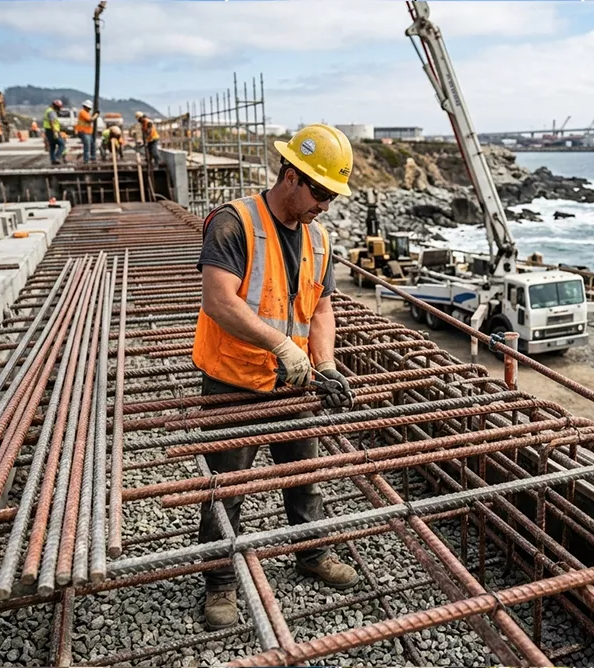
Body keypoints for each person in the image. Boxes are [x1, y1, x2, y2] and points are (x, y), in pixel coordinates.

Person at [193, 124, 357, 630]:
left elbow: (322, 311)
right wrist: (280, 344)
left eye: (332, 195)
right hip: (234, 380)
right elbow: (218, 300)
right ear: (291, 177)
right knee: (229, 487)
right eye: (322, 192)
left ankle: (310, 553)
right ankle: (220, 583)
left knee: (303, 475)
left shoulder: (319, 237)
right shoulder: (233, 223)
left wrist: (324, 363)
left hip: (296, 380)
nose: (326, 204)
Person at [43, 99, 66, 164]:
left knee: (52, 146)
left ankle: (53, 160)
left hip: (48, 130)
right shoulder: (51, 111)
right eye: (58, 107)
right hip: (52, 130)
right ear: (55, 106)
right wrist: (55, 132)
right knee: (62, 144)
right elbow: (51, 122)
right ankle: (56, 157)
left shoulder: (49, 110)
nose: (59, 108)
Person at [77, 100, 97, 164]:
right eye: (89, 108)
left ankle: (93, 158)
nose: (89, 109)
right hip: (83, 132)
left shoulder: (87, 113)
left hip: (88, 132)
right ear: (85, 107)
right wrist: (96, 115)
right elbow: (89, 120)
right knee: (87, 147)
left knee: (92, 146)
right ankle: (86, 161)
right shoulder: (82, 112)